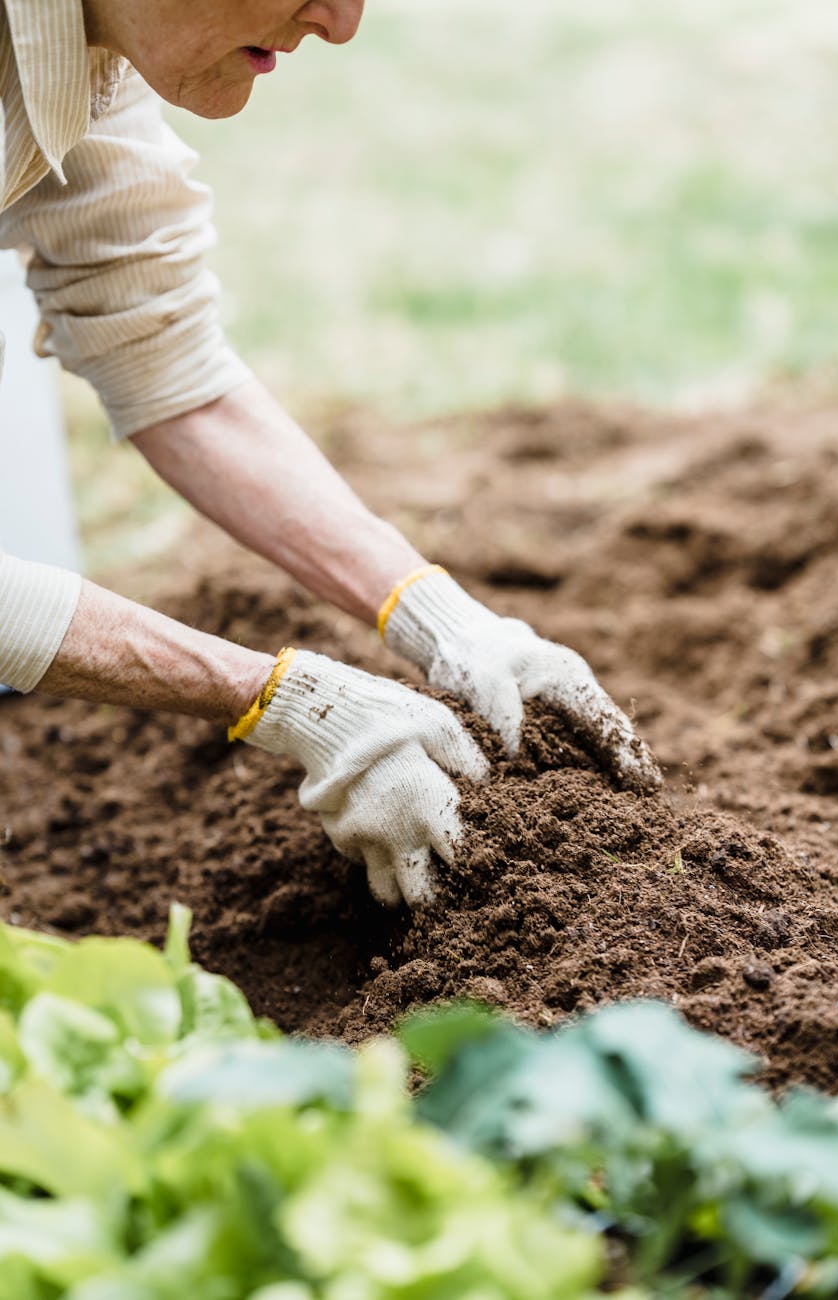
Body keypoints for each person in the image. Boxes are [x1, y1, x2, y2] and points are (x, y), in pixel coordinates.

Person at [0, 0, 661, 907]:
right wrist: (279, 698)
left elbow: (157, 346)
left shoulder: (92, 39)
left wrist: (446, 625)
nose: (341, 22)